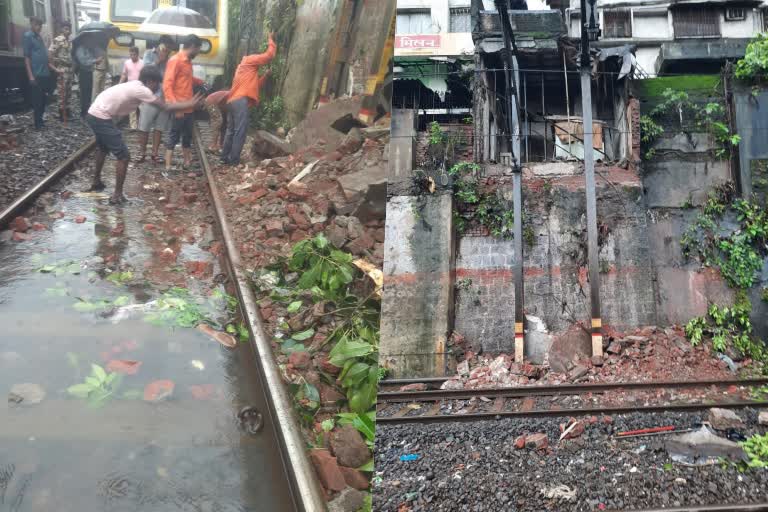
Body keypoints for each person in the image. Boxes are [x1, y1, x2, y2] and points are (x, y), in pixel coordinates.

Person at [86, 65, 202, 204]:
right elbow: (165, 107)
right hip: (101, 115)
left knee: (103, 148)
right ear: (150, 81)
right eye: (156, 84)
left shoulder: (134, 85)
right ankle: (117, 195)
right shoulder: (142, 89)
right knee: (123, 156)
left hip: (95, 112)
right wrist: (189, 104)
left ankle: (96, 181)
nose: (157, 88)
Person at [221, 33, 276, 165]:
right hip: (240, 101)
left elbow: (255, 86)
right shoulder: (249, 60)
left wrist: (265, 76)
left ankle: (224, 158)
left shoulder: (242, 69)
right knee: (240, 131)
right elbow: (269, 55)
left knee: (231, 131)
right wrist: (270, 39)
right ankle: (234, 160)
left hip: (232, 101)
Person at [163, 34, 205, 171]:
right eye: (198, 49)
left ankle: (187, 162)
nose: (198, 52)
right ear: (193, 47)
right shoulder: (175, 60)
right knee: (173, 136)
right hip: (179, 107)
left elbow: (186, 78)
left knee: (187, 136)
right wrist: (176, 107)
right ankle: (168, 166)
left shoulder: (187, 61)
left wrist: (200, 82)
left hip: (189, 108)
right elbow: (167, 85)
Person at [137, 42, 171, 162]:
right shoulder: (148, 54)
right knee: (144, 127)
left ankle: (155, 153)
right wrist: (158, 61)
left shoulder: (170, 59)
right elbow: (144, 71)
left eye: (167, 49)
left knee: (159, 128)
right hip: (150, 97)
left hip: (164, 97)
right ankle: (142, 152)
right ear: (158, 47)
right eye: (163, 48)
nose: (165, 51)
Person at [23, 17, 54, 129]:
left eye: (40, 25)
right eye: (36, 25)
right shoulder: (28, 36)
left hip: (44, 73)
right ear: (31, 24)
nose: (39, 27)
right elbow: (26, 57)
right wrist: (31, 76)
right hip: (36, 74)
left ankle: (40, 121)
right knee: (37, 100)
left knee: (43, 100)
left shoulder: (39, 37)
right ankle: (38, 124)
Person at [73, 36, 106, 118]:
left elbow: (92, 58)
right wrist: (95, 61)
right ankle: (83, 112)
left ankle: (88, 110)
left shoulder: (89, 49)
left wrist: (97, 60)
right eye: (88, 39)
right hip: (83, 72)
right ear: (84, 39)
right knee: (84, 93)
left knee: (89, 92)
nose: (90, 41)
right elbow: (84, 61)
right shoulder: (80, 49)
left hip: (90, 71)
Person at [49, 20, 74, 122]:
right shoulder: (58, 40)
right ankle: (61, 115)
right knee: (61, 93)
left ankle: (67, 112)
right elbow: (50, 53)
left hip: (69, 69)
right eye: (65, 29)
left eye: (69, 29)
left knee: (68, 92)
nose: (67, 31)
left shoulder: (69, 41)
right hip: (62, 69)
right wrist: (54, 67)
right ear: (61, 29)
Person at [119, 46, 144, 129]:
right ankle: (133, 126)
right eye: (131, 55)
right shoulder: (127, 63)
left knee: (142, 107)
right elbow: (124, 74)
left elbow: (146, 75)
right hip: (130, 87)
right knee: (132, 108)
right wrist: (119, 84)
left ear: (137, 54)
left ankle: (142, 125)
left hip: (140, 87)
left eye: (134, 55)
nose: (132, 56)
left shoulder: (143, 63)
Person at [204, 89, 229, 154]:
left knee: (224, 123)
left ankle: (221, 145)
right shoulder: (231, 94)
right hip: (211, 102)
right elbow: (222, 100)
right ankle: (213, 145)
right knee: (218, 121)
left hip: (217, 104)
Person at [91, 37, 111, 105]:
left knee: (102, 89)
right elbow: (92, 59)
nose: (106, 42)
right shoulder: (95, 48)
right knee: (96, 89)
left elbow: (106, 60)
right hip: (97, 70)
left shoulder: (104, 49)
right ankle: (94, 104)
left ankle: (100, 104)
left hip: (104, 70)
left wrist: (108, 69)